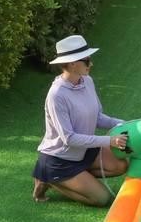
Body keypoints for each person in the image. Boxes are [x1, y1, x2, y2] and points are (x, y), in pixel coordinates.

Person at [32, 34, 129, 207]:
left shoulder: (87, 81)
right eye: (87, 60)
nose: (91, 64)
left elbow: (98, 117)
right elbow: (69, 138)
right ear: (72, 64)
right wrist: (109, 140)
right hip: (60, 159)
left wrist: (124, 124)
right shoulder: (56, 95)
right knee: (102, 199)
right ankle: (49, 178)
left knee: (121, 166)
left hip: (84, 150)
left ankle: (78, 177)